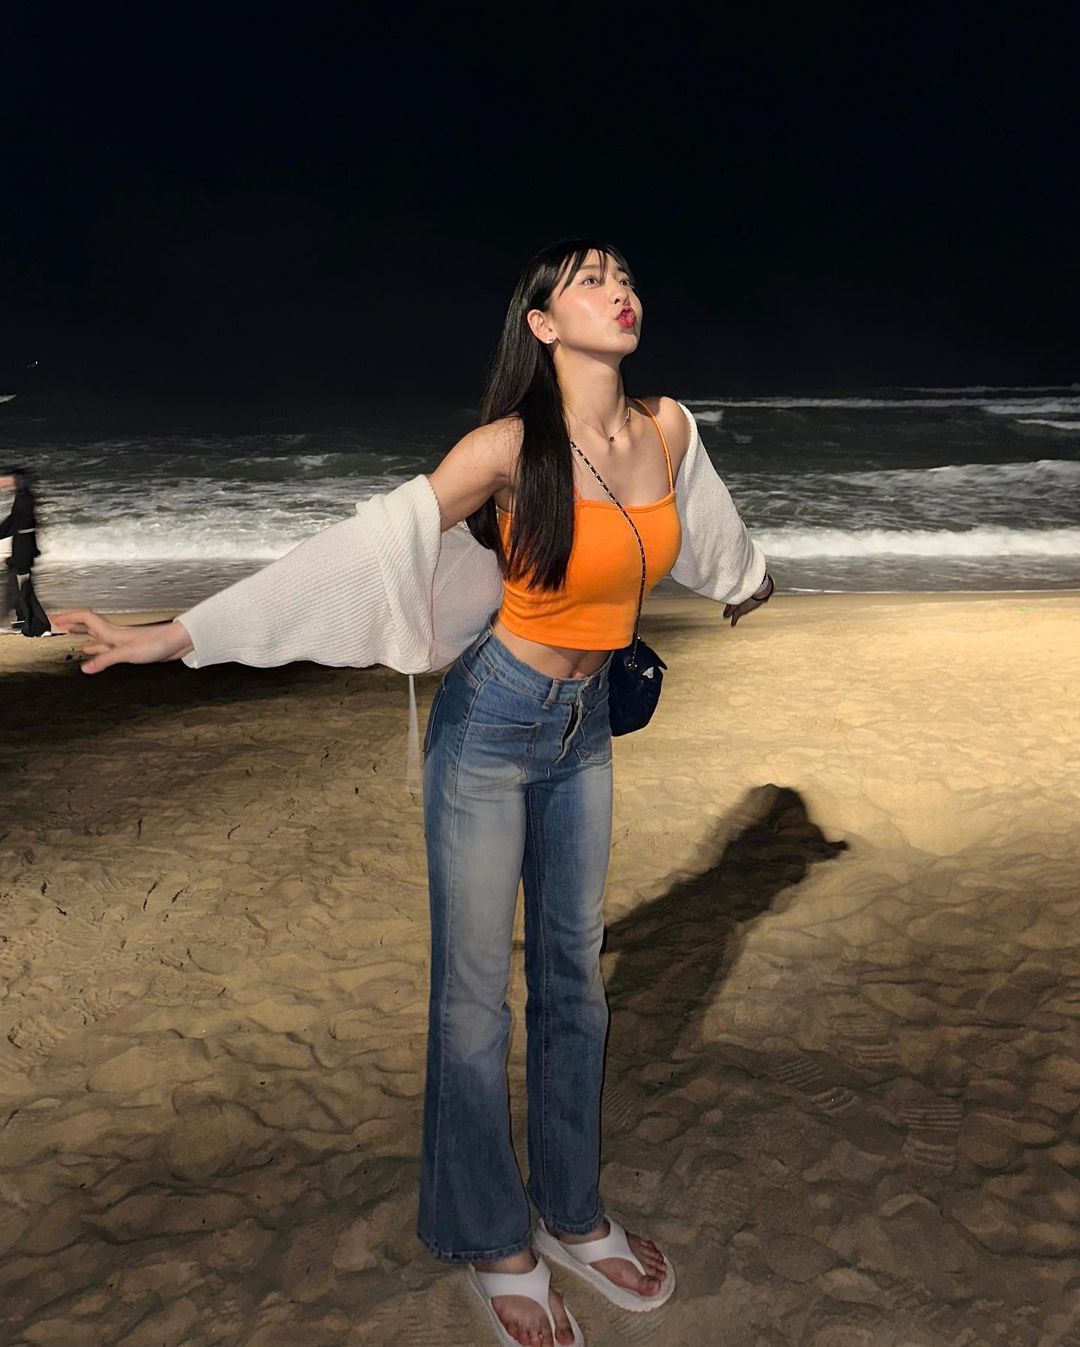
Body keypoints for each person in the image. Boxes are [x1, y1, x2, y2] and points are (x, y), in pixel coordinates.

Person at [55, 240, 773, 1347]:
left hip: (583, 731)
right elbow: (359, 552)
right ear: (542, 325)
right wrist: (173, 636)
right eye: (589, 281)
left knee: (575, 984)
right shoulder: (505, 449)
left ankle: (574, 1214)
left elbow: (705, 521)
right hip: (491, 727)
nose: (619, 292)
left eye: (624, 276)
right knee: (475, 1002)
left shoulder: (667, 428)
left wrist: (745, 577)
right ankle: (491, 1237)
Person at [1, 467, 51, 637]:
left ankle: (41, 626)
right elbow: (17, 524)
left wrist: (21, 553)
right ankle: (23, 620)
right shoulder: (23, 497)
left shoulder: (24, 499)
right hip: (23, 548)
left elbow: (17, 524)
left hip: (23, 550)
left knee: (24, 588)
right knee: (16, 586)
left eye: (6, 478)